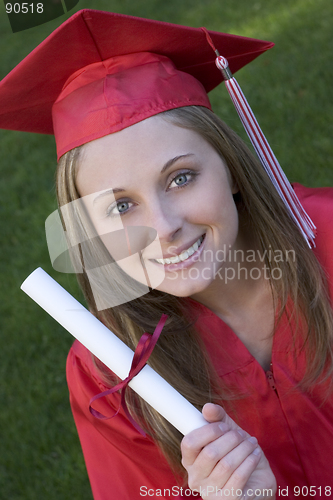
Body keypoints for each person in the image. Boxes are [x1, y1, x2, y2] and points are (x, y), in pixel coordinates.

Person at [1, 8, 333, 500]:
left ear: (231, 167)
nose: (164, 228)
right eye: (120, 207)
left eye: (180, 177)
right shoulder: (108, 373)